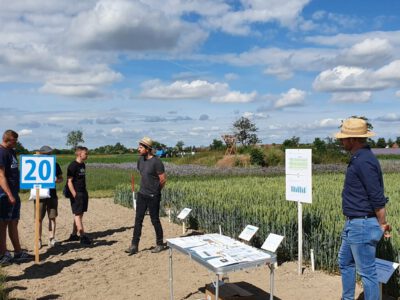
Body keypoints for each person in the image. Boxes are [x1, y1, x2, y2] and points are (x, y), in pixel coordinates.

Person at [335, 118, 391, 300]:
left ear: (353, 139)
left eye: (344, 138)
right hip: (353, 223)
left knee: (368, 273)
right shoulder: (359, 158)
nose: (341, 141)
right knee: (345, 262)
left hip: (362, 224)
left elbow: (376, 196)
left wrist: (382, 223)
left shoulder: (364, 161)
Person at [126, 137, 167, 255]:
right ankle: (134, 245)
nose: (138, 149)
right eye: (138, 147)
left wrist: (156, 191)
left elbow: (163, 179)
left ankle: (159, 244)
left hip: (153, 196)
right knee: (138, 220)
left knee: (155, 220)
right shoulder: (140, 161)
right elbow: (142, 173)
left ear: (147, 149)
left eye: (141, 147)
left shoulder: (157, 162)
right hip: (142, 194)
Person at [0, 130, 32, 266]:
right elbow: (1, 177)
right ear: (8, 139)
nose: (17, 143)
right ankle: (3, 254)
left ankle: (18, 252)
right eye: (15, 140)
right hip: (4, 195)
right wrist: (9, 194)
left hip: (14, 193)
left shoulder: (12, 152)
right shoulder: (1, 153)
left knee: (14, 222)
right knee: (2, 224)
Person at [33, 146, 63, 248]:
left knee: (52, 217)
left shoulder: (55, 165)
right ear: (41, 154)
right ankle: (38, 240)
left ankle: (52, 238)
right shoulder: (36, 166)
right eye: (47, 154)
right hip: (40, 195)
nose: (49, 155)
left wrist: (57, 180)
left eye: (50, 153)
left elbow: (61, 179)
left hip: (52, 194)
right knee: (38, 218)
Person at [66, 146, 91, 246]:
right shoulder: (72, 166)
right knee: (77, 215)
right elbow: (69, 182)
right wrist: (74, 195)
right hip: (77, 193)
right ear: (80, 154)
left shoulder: (83, 165)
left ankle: (73, 234)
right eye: (86, 153)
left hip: (83, 192)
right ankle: (82, 236)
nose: (87, 155)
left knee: (79, 215)